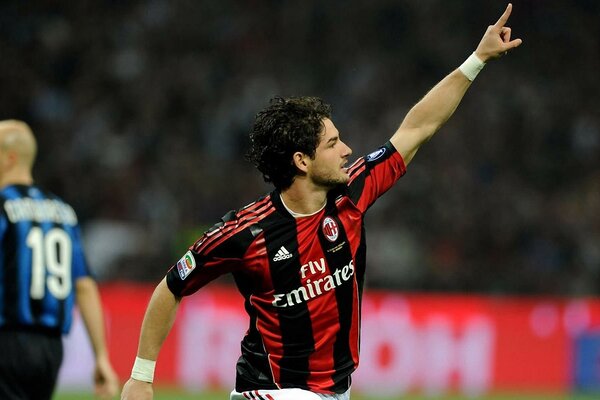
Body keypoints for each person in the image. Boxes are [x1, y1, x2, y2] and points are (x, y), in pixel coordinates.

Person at [121, 4, 522, 400]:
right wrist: (141, 376)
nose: (348, 149)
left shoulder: (352, 195)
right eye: (332, 144)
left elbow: (418, 127)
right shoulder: (246, 231)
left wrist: (477, 59)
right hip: (270, 391)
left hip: (335, 391)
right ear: (302, 161)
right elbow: (172, 286)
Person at [0, 120, 120, 399]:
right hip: (50, 351)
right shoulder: (63, 213)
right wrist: (101, 356)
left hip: (6, 342)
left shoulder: (3, 207)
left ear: (10, 157)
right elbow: (85, 287)